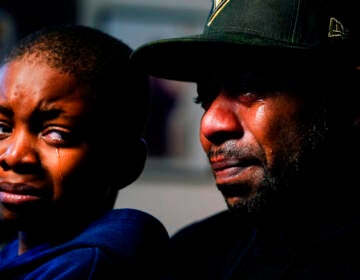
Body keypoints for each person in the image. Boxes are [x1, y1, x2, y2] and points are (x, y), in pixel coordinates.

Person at [131, 0, 360, 279]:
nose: (210, 124)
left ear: (347, 100)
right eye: (204, 99)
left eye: (249, 88)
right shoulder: (192, 255)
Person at [0, 24, 171, 279]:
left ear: (126, 163)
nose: (12, 156)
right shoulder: (18, 253)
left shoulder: (89, 267)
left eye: (56, 134)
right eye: (2, 127)